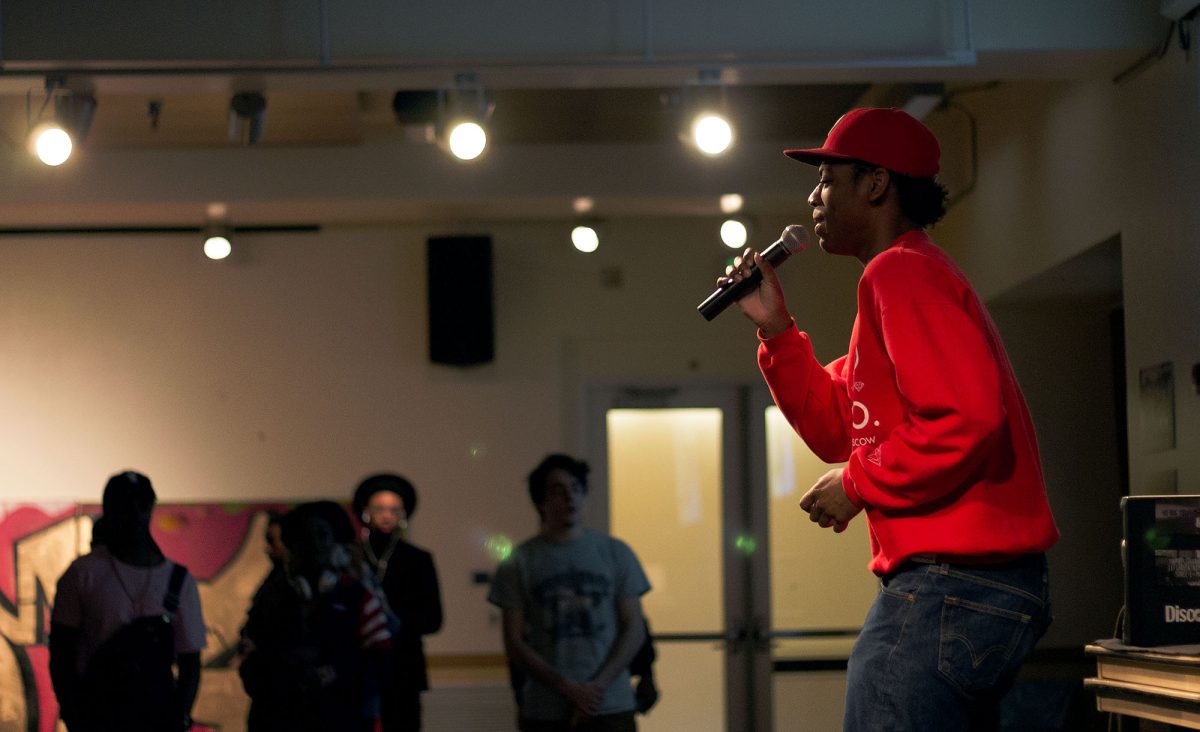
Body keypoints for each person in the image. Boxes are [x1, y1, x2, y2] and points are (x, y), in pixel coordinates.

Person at [720, 107, 1060, 731]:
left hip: (953, 581)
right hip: (972, 585)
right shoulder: (897, 281)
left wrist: (856, 485)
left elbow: (964, 418)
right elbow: (833, 427)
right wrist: (775, 328)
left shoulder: (900, 271)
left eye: (827, 178)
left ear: (875, 184)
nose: (813, 196)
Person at [488, 453, 651, 732]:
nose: (570, 498)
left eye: (576, 489)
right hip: (546, 707)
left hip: (610, 702)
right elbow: (514, 642)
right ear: (541, 502)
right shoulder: (520, 562)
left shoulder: (615, 553)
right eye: (558, 491)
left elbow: (634, 627)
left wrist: (596, 687)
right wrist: (566, 687)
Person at [49, 470, 207, 731]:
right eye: (125, 504)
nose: (134, 512)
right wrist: (76, 714)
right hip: (100, 718)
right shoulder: (82, 574)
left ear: (150, 507)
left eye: (141, 503)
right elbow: (61, 655)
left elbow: (191, 662)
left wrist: (179, 716)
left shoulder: (179, 580)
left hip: (156, 717)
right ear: (109, 509)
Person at [238, 502, 393, 732]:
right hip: (278, 717)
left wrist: (334, 674)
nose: (313, 548)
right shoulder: (271, 598)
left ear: (339, 548)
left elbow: (380, 664)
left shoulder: (358, 597)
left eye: (321, 537)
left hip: (341, 717)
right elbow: (250, 659)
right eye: (303, 540)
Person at [353, 473, 444, 731]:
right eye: (379, 509)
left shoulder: (418, 559)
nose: (386, 516)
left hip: (404, 667)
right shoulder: (353, 557)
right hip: (360, 667)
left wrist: (398, 626)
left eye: (394, 510)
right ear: (366, 512)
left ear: (403, 513)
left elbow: (434, 618)